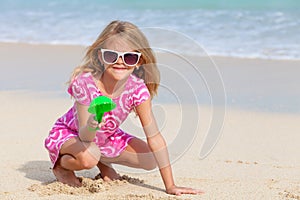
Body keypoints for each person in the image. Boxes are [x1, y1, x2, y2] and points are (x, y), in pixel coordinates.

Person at [44, 20, 203, 196]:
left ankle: (104, 164)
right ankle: (62, 166)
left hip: (106, 138)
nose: (120, 62)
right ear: (100, 56)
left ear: (138, 61)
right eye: (112, 55)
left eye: (128, 57)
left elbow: (154, 137)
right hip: (72, 135)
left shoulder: (137, 89)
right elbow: (84, 135)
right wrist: (93, 122)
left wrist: (170, 186)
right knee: (89, 156)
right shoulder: (85, 82)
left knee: (149, 159)